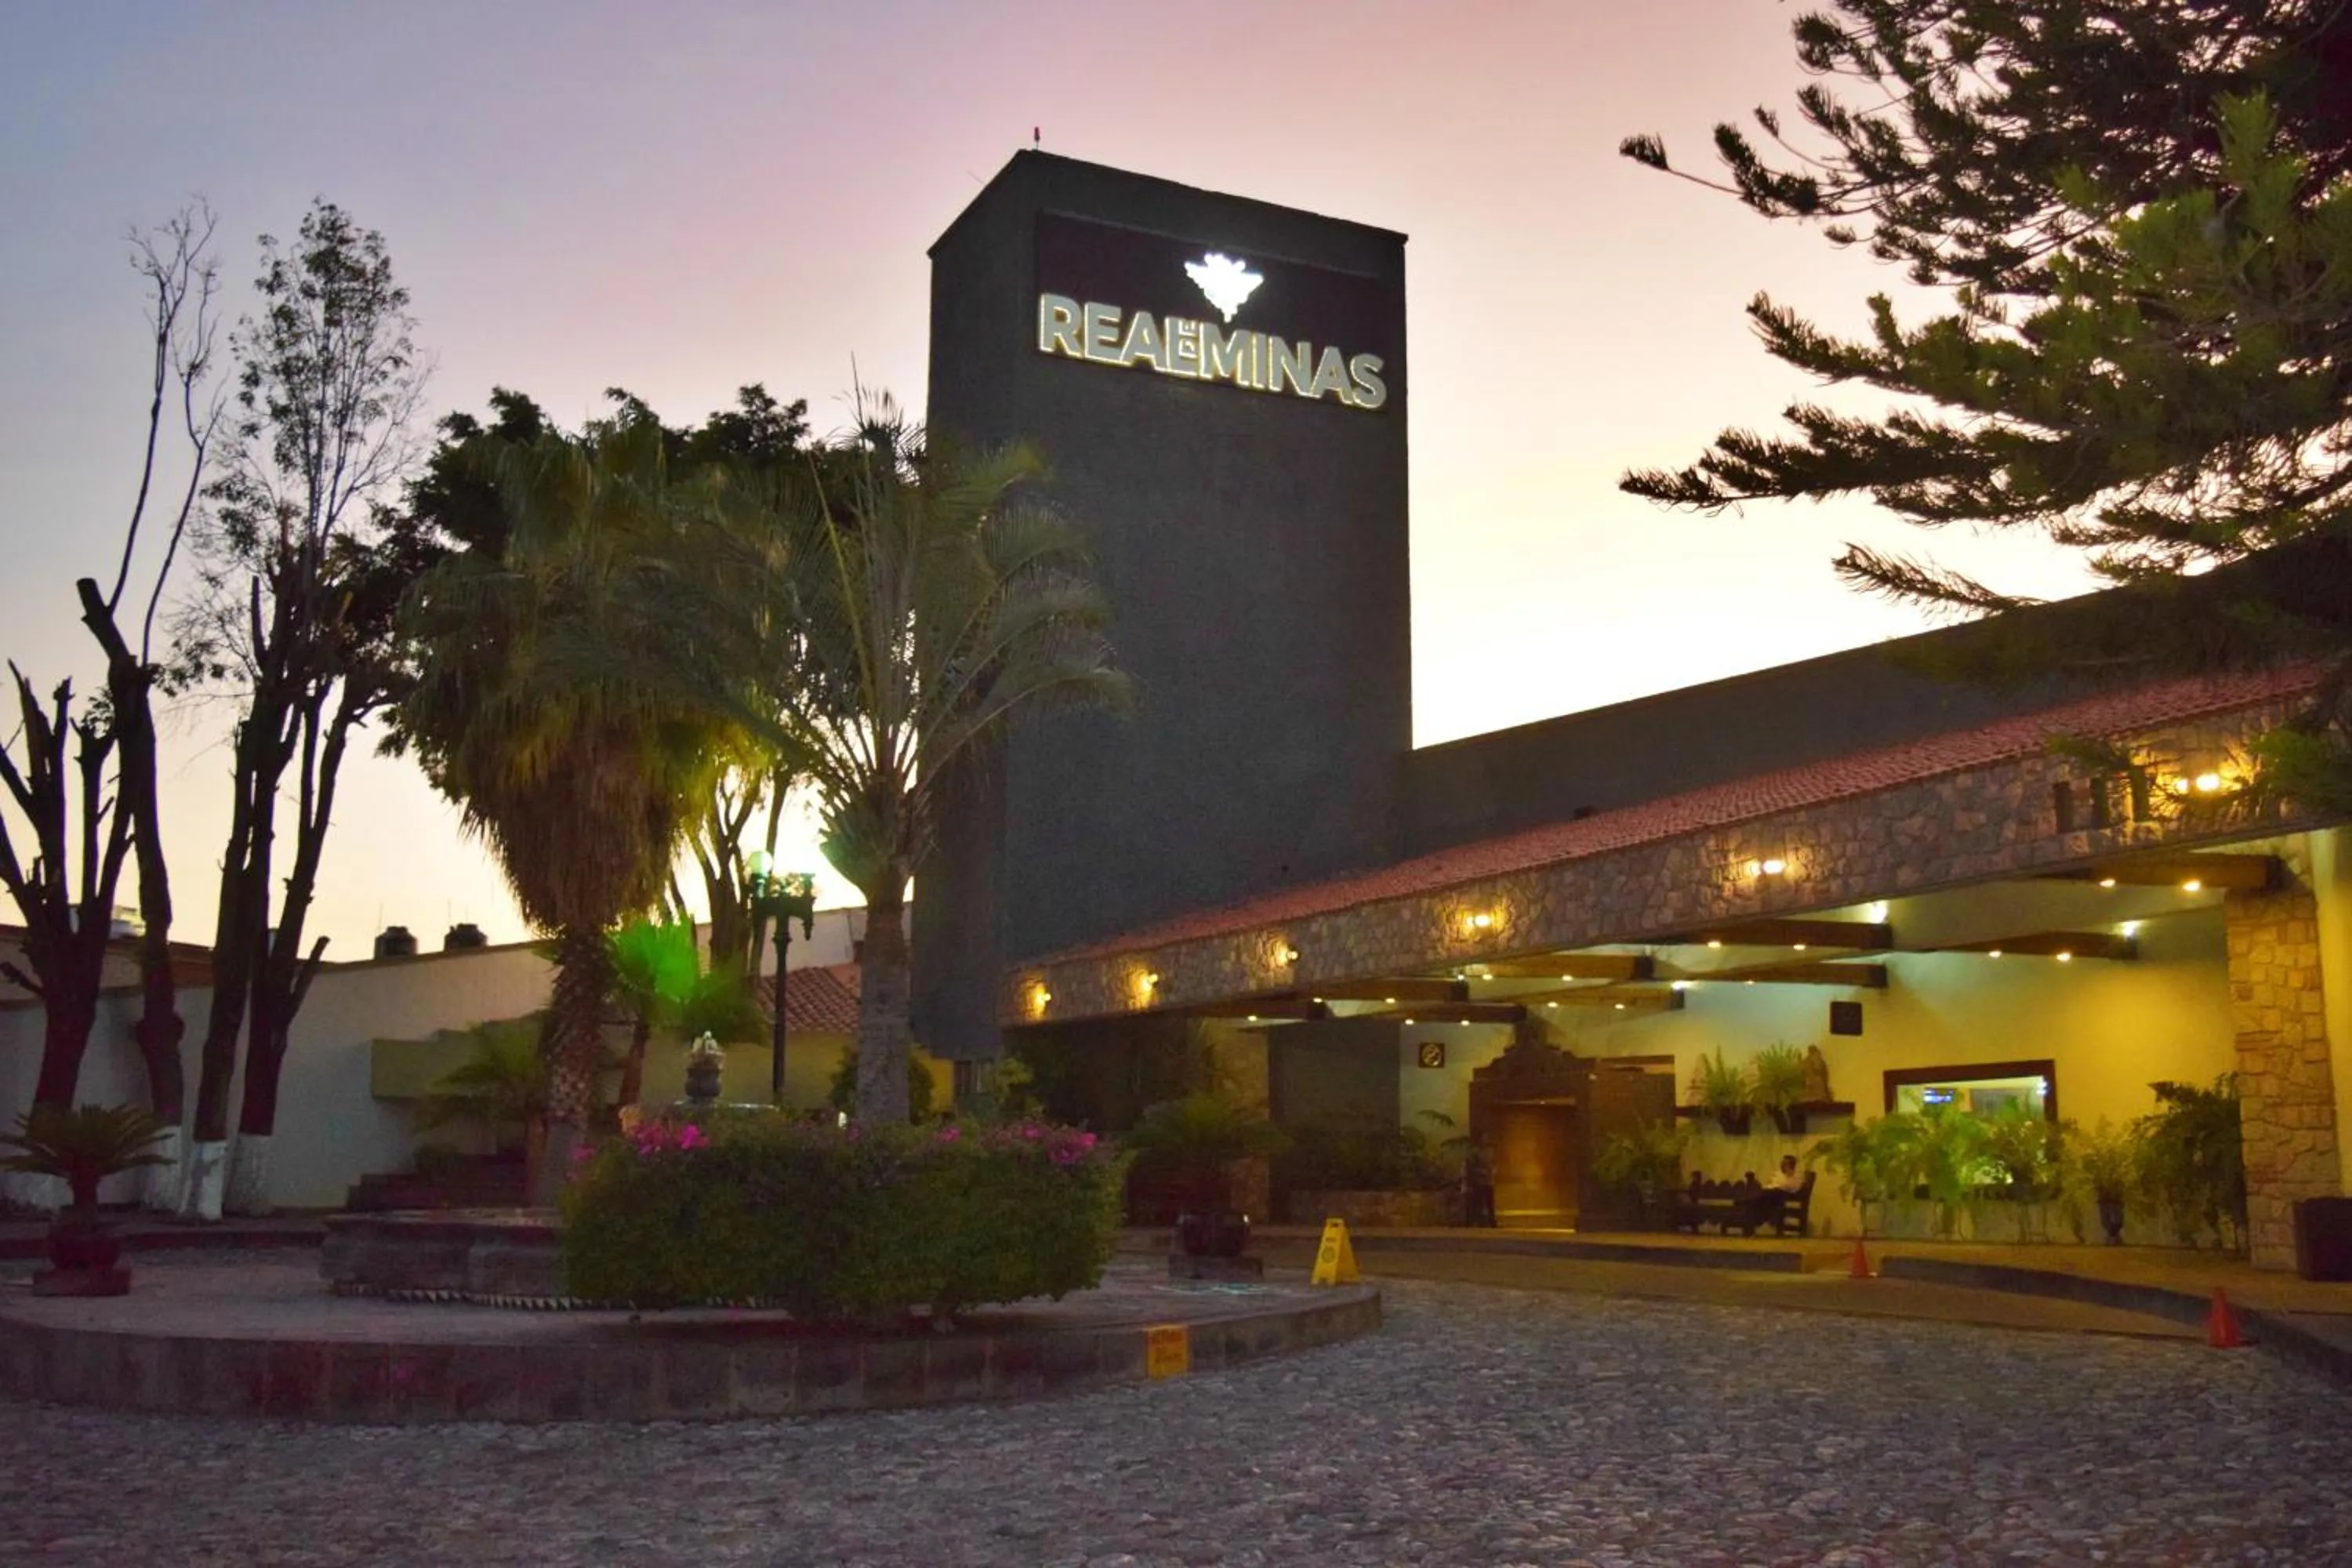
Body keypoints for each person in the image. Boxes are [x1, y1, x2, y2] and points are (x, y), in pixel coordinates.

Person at [1461, 1138, 1497, 1228]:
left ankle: (1491, 1222)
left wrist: (1493, 1171)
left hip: (1488, 1181)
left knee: (1489, 1203)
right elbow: (1471, 1167)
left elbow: (1494, 1163)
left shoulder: (1491, 1151)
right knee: (1478, 1203)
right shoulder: (1476, 1152)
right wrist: (1481, 1172)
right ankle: (1477, 1222)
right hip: (1479, 1182)